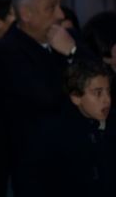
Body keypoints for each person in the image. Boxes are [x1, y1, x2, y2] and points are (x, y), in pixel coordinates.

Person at [0, 0, 91, 195]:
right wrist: (68, 57)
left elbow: (99, 81)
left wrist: (72, 51)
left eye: (59, 6)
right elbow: (46, 97)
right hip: (40, 171)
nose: (60, 15)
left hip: (81, 162)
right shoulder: (7, 52)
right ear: (26, 14)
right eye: (51, 8)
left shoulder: (68, 39)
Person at [17, 60, 116, 197]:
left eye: (108, 91)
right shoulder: (51, 135)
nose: (107, 100)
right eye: (98, 93)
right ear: (76, 97)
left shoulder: (112, 122)